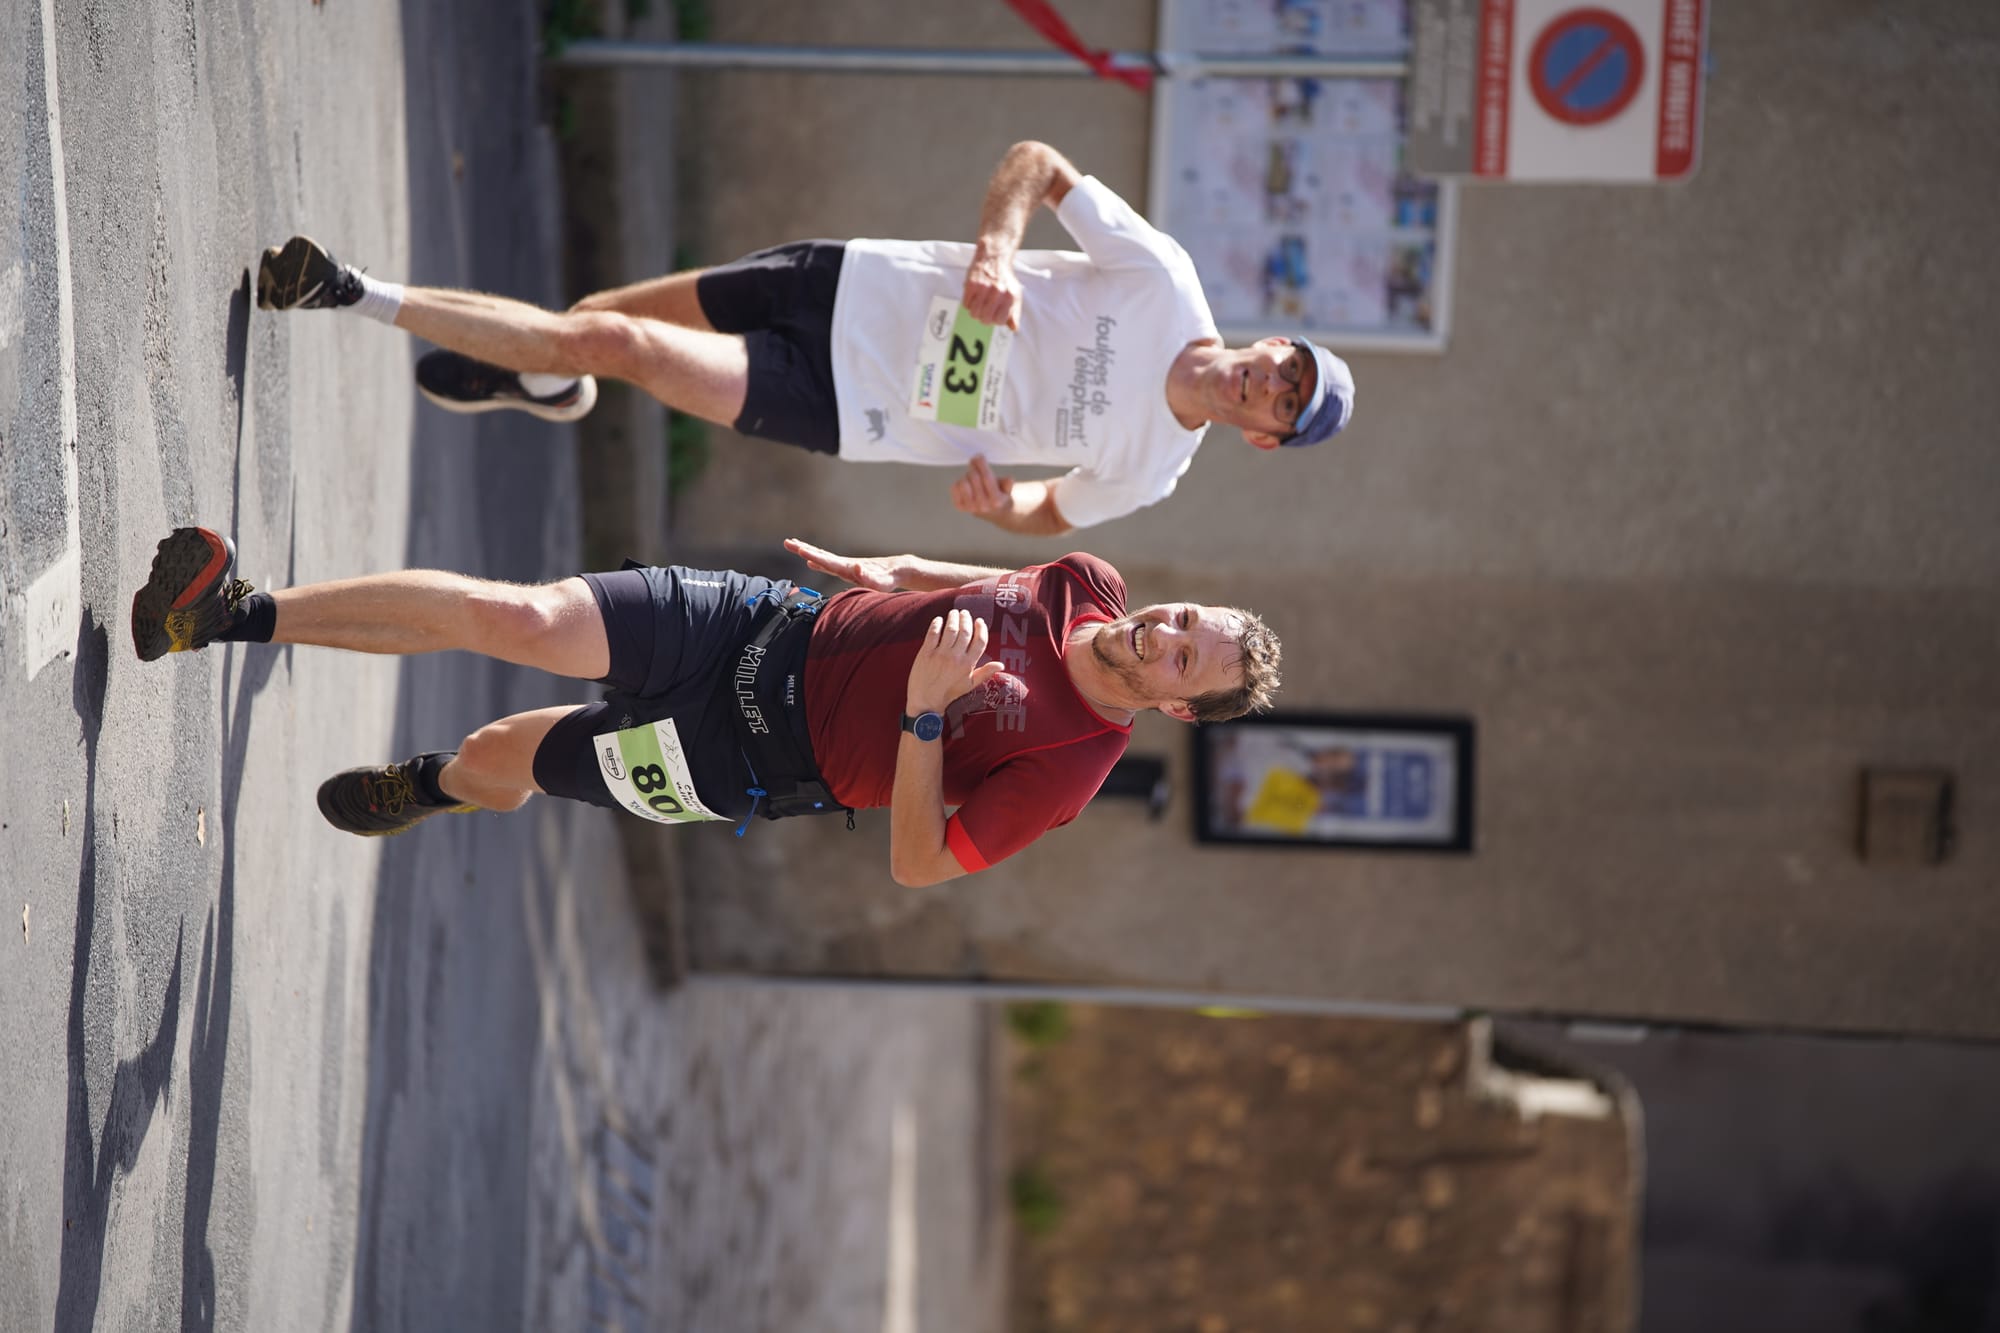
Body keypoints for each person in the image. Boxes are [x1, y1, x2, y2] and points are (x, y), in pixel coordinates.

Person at [253, 140, 1355, 535]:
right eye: (1283, 362)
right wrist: (991, 254)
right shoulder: (1165, 282)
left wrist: (995, 504)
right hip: (853, 282)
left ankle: (348, 291)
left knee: (620, 350)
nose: (1267, 377)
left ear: (1263, 436)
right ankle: (548, 388)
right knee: (596, 325)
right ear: (1270, 340)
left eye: (1281, 399)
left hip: (850, 406)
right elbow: (1034, 163)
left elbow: (1048, 514)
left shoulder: (1153, 467)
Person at [128, 525, 1280, 883]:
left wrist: (926, 715)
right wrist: (900, 574)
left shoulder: (1069, 768)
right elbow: (999, 585)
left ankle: (434, 787)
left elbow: (921, 864)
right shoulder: (1088, 581)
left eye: (1190, 660)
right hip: (751, 623)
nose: (1167, 635)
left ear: (1179, 709)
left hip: (738, 756)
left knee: (504, 754)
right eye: (1189, 619)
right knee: (520, 619)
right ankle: (228, 612)